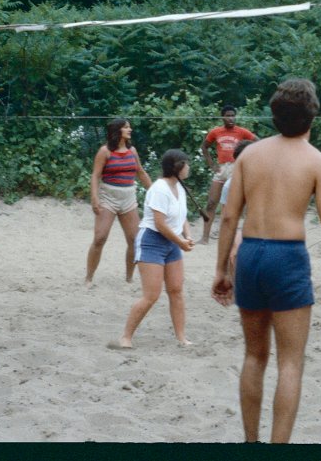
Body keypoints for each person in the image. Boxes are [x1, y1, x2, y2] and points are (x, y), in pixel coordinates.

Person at [211, 78, 321, 443]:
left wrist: (221, 269)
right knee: (290, 363)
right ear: (313, 117)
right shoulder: (318, 163)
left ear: (274, 116)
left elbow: (229, 217)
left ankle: (251, 442)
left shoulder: (249, 155)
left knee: (254, 357)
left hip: (250, 255)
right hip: (287, 257)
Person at [110, 149, 195, 349]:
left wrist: (187, 236)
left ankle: (182, 337)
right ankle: (126, 337)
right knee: (151, 295)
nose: (189, 167)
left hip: (172, 242)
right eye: (186, 163)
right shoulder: (159, 188)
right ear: (177, 167)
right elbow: (160, 224)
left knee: (176, 290)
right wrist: (181, 242)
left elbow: (181, 217)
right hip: (152, 241)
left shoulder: (179, 187)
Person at [85, 119, 153, 285]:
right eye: (126, 127)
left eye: (129, 126)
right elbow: (95, 175)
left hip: (128, 197)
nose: (130, 129)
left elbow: (141, 172)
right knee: (100, 238)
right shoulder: (105, 151)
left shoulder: (132, 151)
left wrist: (155, 192)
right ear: (118, 130)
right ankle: (89, 277)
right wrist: (94, 197)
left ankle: (129, 278)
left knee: (134, 240)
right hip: (108, 196)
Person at [199, 105, 257, 244]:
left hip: (235, 168)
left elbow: (258, 142)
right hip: (221, 170)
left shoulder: (242, 132)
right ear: (222, 117)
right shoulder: (216, 132)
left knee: (235, 203)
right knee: (211, 203)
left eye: (233, 115)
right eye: (228, 115)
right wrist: (211, 164)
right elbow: (204, 147)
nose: (231, 118)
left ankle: (238, 236)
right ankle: (205, 237)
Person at [219, 139, 253, 280]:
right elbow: (225, 217)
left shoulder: (266, 179)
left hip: (261, 226)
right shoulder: (230, 185)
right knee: (234, 252)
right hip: (241, 227)